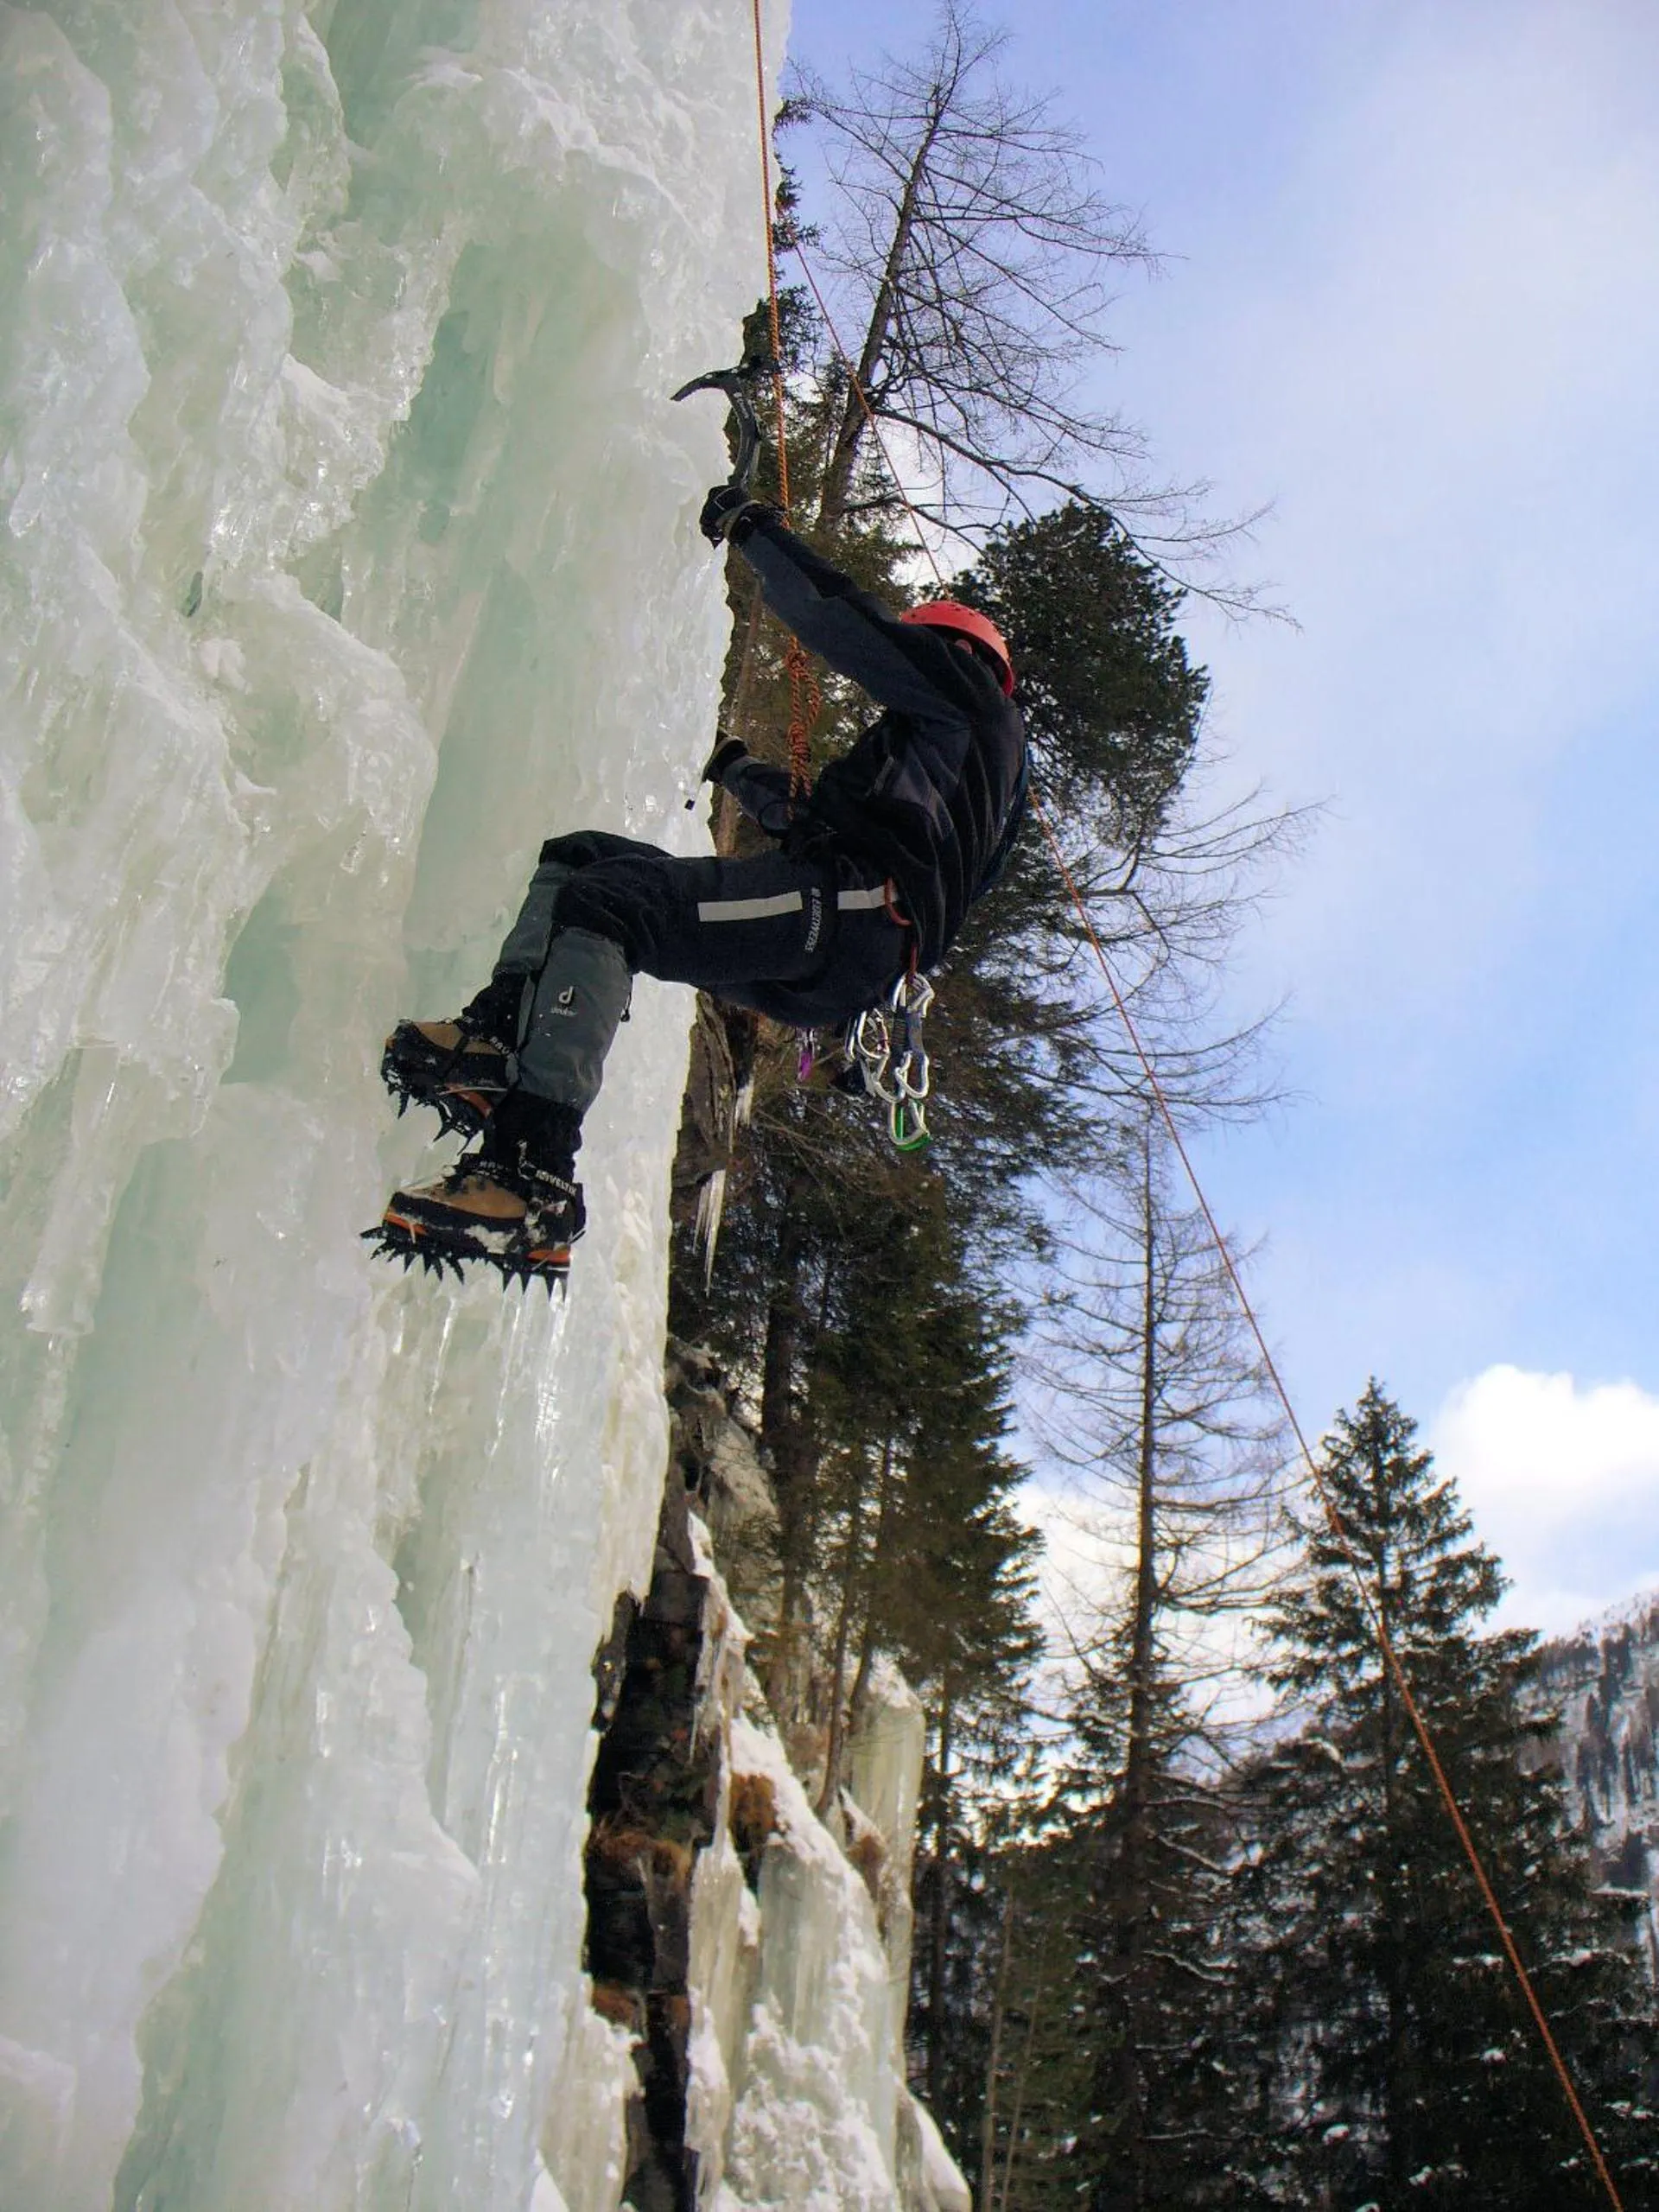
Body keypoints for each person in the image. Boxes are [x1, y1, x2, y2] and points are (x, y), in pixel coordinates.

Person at [365, 486, 1027, 1287]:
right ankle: (497, 1042)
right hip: (846, 930)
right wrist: (739, 772)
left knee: (614, 908)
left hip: (850, 915)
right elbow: (820, 830)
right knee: (583, 860)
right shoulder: (958, 776)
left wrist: (757, 532)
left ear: (953, 652)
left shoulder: (965, 694)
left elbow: (844, 622)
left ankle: (530, 1172)